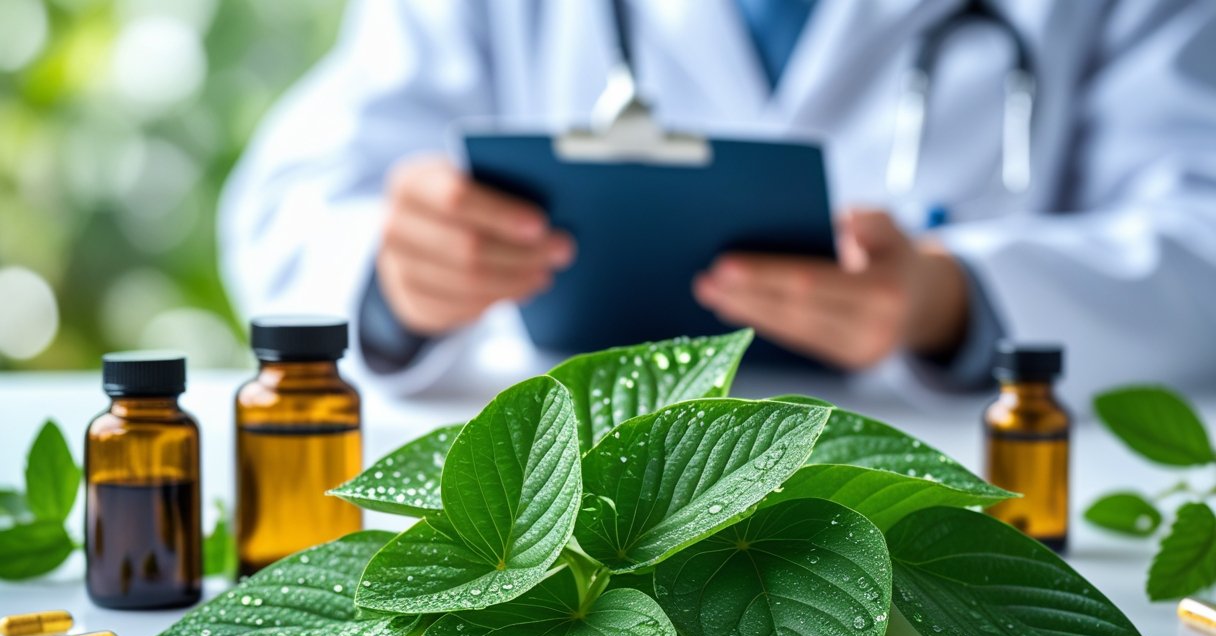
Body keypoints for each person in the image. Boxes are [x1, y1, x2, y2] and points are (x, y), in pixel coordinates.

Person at [220, 0, 1216, 398]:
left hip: (959, 504)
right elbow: (286, 203)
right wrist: (395, 277)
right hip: (590, 494)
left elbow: (1198, 237)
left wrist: (953, 301)